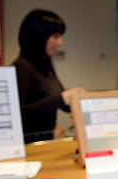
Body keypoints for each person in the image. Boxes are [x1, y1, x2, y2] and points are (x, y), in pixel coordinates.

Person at [13, 9, 84, 142]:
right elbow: (17, 113)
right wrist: (62, 98)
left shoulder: (46, 65)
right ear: (39, 37)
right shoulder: (21, 68)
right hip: (28, 146)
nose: (60, 42)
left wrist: (76, 97)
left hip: (46, 141)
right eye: (55, 36)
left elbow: (62, 103)